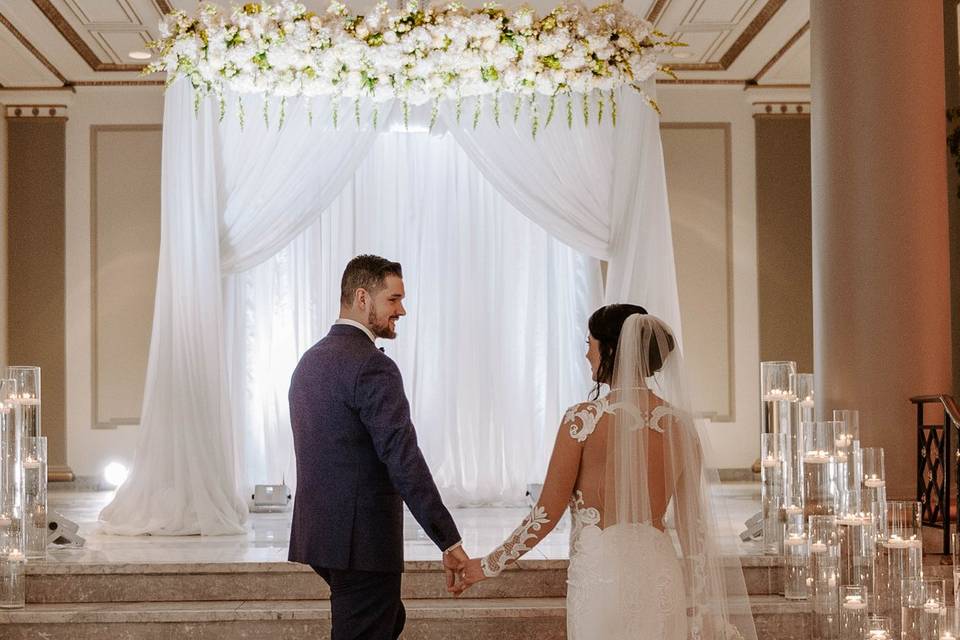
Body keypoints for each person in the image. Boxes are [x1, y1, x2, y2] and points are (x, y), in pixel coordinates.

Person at [455, 305, 757, 640]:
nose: (586, 354)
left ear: (611, 350)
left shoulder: (582, 421)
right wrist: (704, 603)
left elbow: (545, 514)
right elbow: (692, 527)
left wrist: (487, 565)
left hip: (600, 577)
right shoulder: (681, 425)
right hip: (660, 574)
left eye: (590, 344)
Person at [288, 254, 469, 640]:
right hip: (363, 542)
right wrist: (448, 538)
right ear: (362, 298)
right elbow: (403, 459)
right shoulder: (373, 366)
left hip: (322, 537)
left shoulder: (310, 361)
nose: (402, 309)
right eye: (393, 299)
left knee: (387, 619)